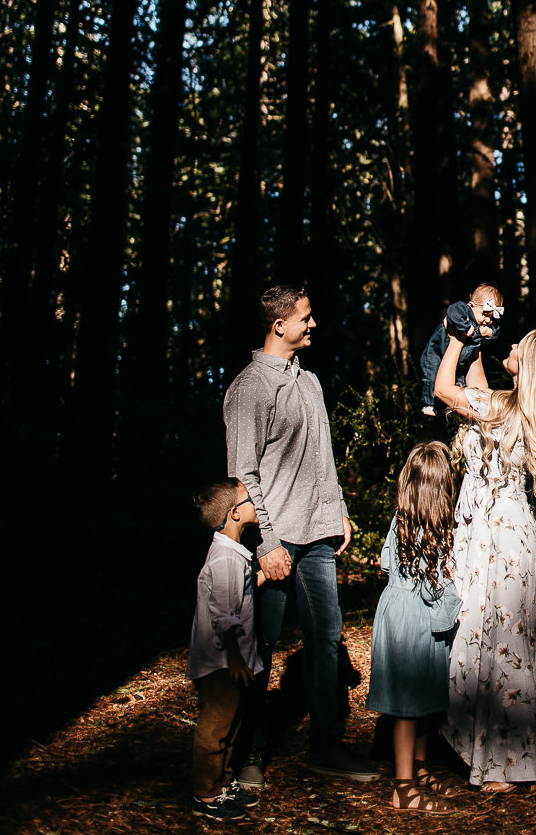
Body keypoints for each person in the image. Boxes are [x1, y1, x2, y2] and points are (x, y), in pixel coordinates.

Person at [224, 283, 379, 786]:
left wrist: (338, 511)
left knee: (326, 638)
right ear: (279, 325)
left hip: (317, 537)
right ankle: (249, 752)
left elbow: (324, 459)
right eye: (305, 318)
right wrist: (265, 544)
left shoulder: (309, 382)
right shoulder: (249, 388)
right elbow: (242, 476)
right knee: (261, 648)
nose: (312, 325)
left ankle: (326, 747)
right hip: (274, 540)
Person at [434, 329, 536, 792]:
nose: (508, 349)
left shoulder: (505, 409)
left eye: (518, 348)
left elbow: (444, 389)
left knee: (498, 643)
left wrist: (453, 338)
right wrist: (475, 337)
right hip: (504, 533)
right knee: (506, 643)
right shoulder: (517, 406)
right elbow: (478, 382)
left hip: (497, 536)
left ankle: (504, 763)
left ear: (530, 364)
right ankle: (519, 756)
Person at [366, 441, 462, 814]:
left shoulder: (401, 519)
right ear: (442, 491)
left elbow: (385, 564)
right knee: (407, 705)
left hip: (398, 612)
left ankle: (419, 768)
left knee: (423, 698)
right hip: (413, 619)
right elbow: (434, 585)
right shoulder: (427, 529)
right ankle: (403, 787)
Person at [186, 478, 264, 821]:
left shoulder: (232, 553)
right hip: (220, 661)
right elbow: (222, 614)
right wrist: (234, 656)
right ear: (234, 513)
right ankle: (205, 794)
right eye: (249, 500)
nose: (255, 504)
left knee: (231, 724)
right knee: (215, 727)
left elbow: (238, 594)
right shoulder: (223, 559)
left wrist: (263, 577)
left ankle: (223, 784)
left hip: (231, 658)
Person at [418, 284, 506, 416]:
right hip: (438, 349)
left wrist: (490, 332)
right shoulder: (461, 309)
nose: (487, 320)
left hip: (460, 355)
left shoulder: (483, 322)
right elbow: (452, 315)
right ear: (471, 305)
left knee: (459, 378)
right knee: (431, 374)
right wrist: (466, 328)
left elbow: (496, 331)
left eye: (491, 318)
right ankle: (428, 403)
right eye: (485, 315)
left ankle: (447, 404)